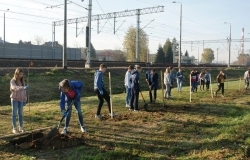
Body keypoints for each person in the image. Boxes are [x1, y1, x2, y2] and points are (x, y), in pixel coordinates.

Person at [10, 68, 29, 134]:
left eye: (22, 74)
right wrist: (22, 88)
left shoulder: (22, 82)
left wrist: (25, 100)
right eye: (19, 74)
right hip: (15, 99)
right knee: (14, 114)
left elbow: (24, 92)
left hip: (21, 100)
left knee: (20, 114)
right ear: (16, 74)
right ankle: (14, 128)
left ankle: (21, 127)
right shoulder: (13, 81)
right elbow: (14, 88)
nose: (20, 75)